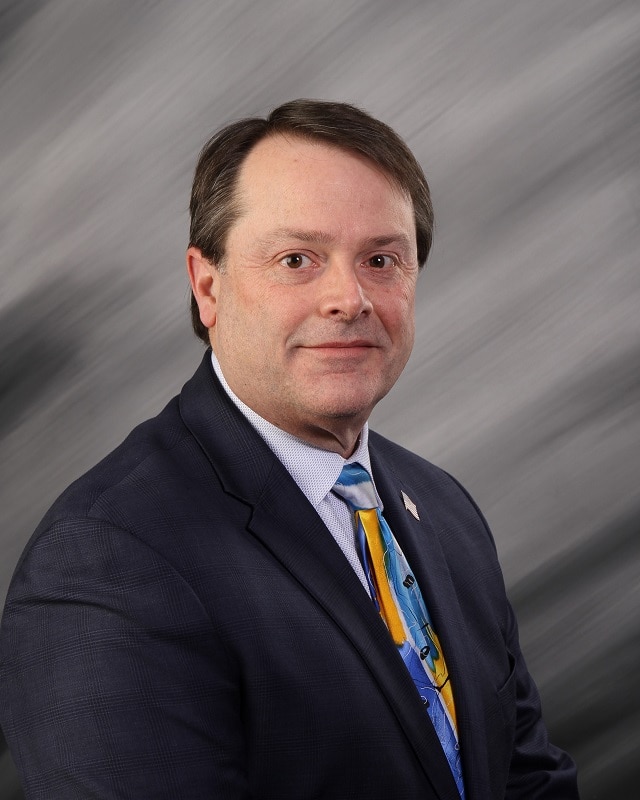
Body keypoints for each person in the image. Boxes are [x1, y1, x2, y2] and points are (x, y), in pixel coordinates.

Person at [0, 99, 579, 799]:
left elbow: (527, 779)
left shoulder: (445, 511)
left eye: (381, 259)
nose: (349, 298)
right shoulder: (107, 562)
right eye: (297, 259)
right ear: (207, 285)